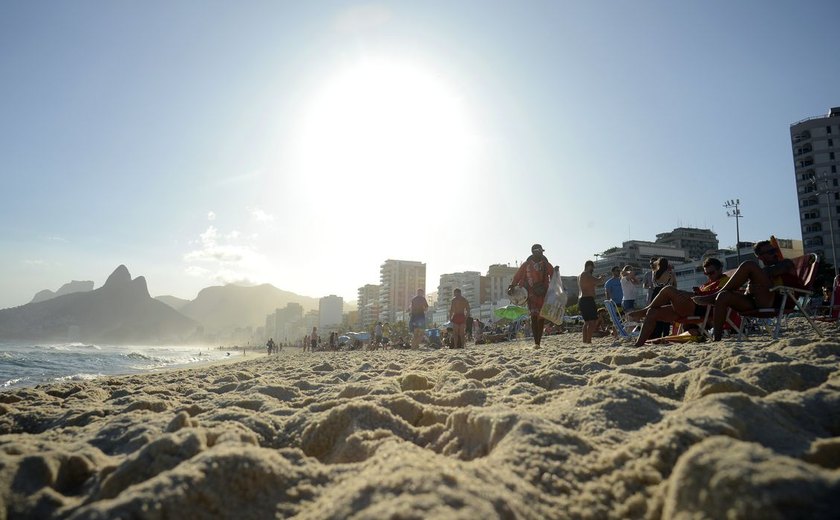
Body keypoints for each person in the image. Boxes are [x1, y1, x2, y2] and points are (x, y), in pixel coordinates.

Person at [693, 241, 796, 341]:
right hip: (758, 301)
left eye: (774, 250)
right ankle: (717, 338)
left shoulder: (786, 263)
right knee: (722, 296)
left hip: (780, 301)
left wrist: (752, 276)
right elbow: (762, 276)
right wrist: (749, 286)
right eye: (770, 252)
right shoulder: (760, 274)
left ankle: (713, 296)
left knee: (749, 265)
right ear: (760, 256)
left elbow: (769, 272)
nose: (774, 253)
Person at [628, 258, 728, 346]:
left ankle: (643, 311)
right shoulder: (708, 283)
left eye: (711, 273)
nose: (709, 276)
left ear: (720, 269)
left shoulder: (725, 281)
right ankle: (638, 343)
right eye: (706, 273)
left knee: (668, 289)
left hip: (702, 309)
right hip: (690, 307)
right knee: (652, 312)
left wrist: (693, 294)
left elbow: (718, 295)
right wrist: (692, 293)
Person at [509, 244, 553, 347]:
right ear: (535, 252)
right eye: (540, 251)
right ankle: (536, 342)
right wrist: (512, 286)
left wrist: (558, 287)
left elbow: (554, 276)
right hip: (531, 294)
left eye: (542, 251)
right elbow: (518, 275)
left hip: (544, 294)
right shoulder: (526, 265)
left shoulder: (546, 264)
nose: (542, 253)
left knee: (541, 318)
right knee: (533, 317)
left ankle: (538, 342)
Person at [578, 260, 606, 344]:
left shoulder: (580, 275)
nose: (593, 269)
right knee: (592, 322)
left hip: (583, 300)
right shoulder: (586, 274)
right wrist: (602, 277)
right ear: (589, 266)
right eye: (593, 267)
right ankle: (588, 340)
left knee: (586, 322)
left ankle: (585, 341)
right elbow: (598, 281)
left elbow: (591, 284)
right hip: (588, 300)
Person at [650, 258, 677, 338]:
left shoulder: (654, 273)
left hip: (656, 293)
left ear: (659, 264)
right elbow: (675, 285)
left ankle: (657, 334)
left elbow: (653, 284)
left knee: (656, 314)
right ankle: (665, 335)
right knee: (666, 314)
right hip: (666, 293)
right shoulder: (670, 274)